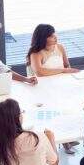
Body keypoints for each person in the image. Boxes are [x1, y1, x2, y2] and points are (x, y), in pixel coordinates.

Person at [26, 24, 80, 154]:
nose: (55, 37)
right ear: (43, 38)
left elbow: (67, 65)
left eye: (54, 34)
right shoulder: (35, 53)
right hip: (42, 90)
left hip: (61, 86)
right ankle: (58, 142)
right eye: (51, 35)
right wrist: (62, 70)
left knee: (66, 110)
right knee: (51, 114)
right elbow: (39, 72)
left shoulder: (60, 47)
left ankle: (66, 139)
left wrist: (66, 73)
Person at [0, 98, 58, 165]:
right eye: (21, 112)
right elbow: (54, 164)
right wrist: (50, 138)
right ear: (18, 117)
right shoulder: (38, 138)